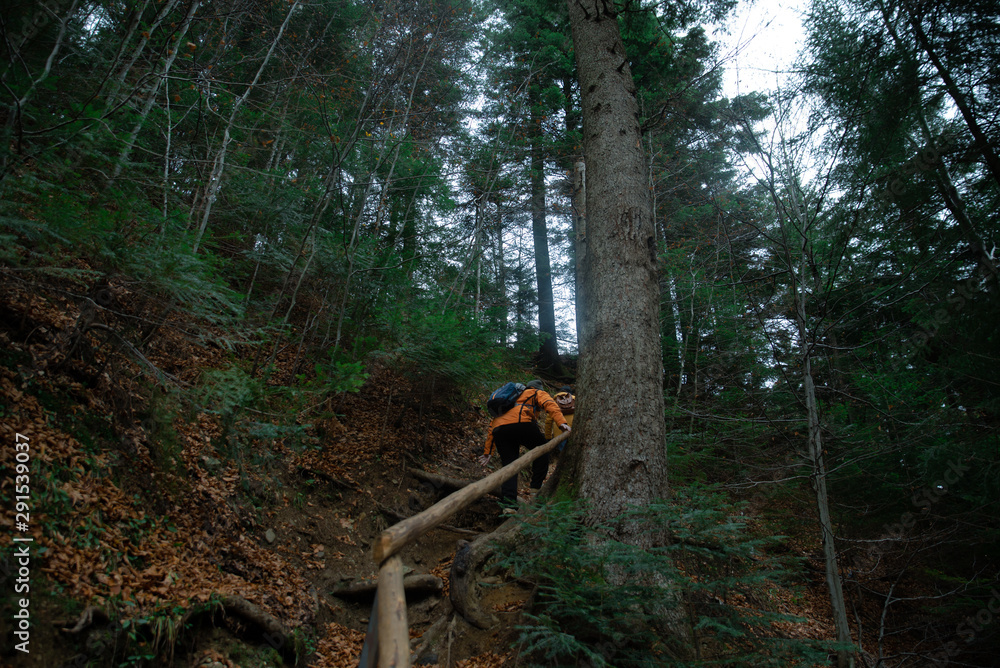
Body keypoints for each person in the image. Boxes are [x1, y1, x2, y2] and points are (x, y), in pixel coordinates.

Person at [479, 379, 571, 510]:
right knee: (542, 450)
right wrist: (562, 423)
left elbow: (493, 426)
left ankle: (508, 506)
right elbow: (550, 404)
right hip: (522, 424)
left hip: (499, 431)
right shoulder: (536, 392)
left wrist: (488, 452)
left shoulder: (508, 400)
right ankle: (535, 489)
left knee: (509, 466)